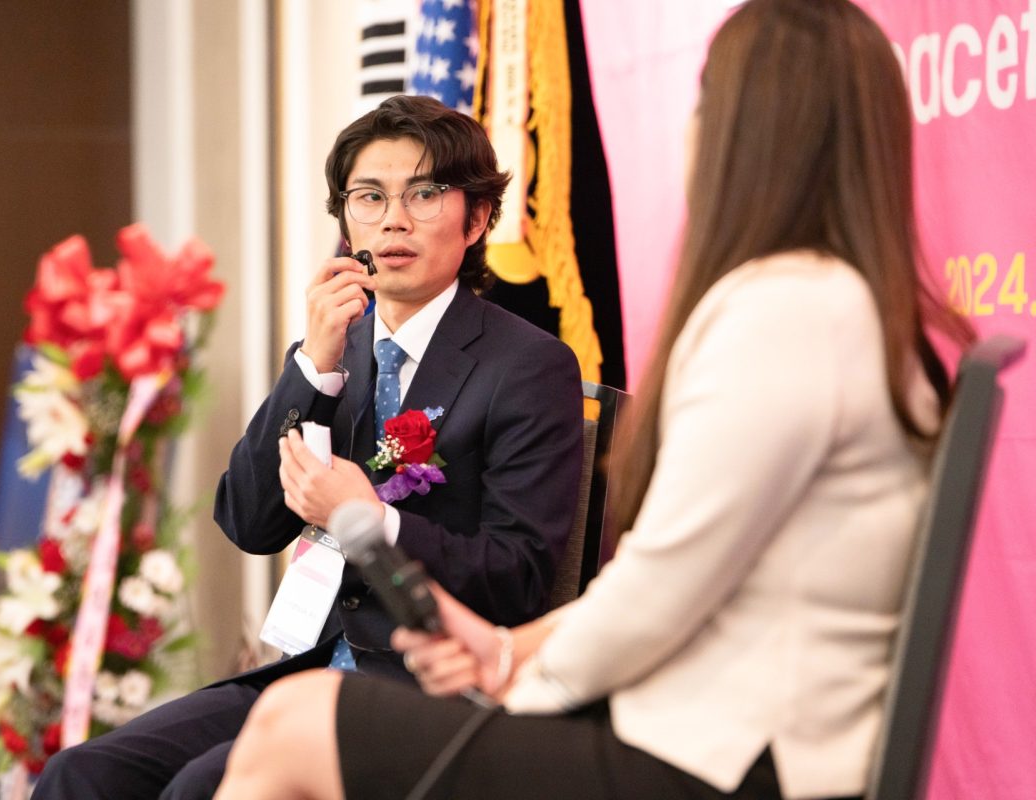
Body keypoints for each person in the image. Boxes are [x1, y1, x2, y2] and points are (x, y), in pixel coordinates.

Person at [210, 1, 978, 799]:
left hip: (732, 757)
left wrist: (514, 680)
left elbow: (658, 591)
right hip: (712, 733)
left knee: (295, 724)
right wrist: (508, 651)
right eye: (369, 198)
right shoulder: (839, 304)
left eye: (704, 102)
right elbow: (664, 574)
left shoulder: (784, 312)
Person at [33, 95, 584, 799]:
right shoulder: (338, 345)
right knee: (80, 772)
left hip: (429, 690)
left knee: (200, 787)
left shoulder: (526, 366)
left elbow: (521, 575)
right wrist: (312, 368)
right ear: (345, 219)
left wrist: (374, 520)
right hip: (316, 663)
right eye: (369, 196)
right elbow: (250, 522)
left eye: (424, 194)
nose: (393, 219)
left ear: (475, 219)